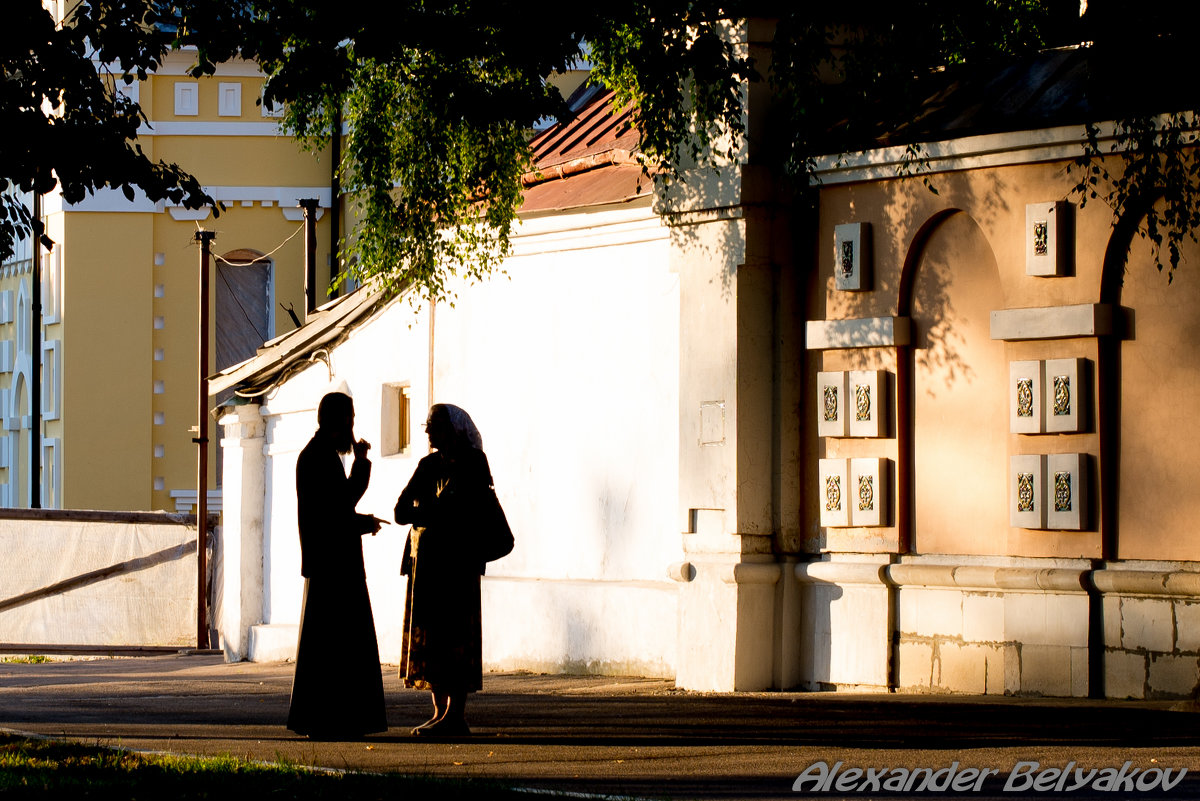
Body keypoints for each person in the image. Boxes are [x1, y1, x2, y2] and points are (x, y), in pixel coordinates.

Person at [287, 391, 387, 739]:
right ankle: (338, 719)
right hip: (335, 566)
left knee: (328, 647)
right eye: (351, 419)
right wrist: (361, 463)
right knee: (340, 646)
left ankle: (327, 718)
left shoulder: (316, 455)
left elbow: (332, 510)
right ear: (340, 420)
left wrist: (360, 521)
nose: (353, 426)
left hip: (326, 562)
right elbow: (339, 507)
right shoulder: (321, 458)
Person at [394, 403, 492, 736]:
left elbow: (472, 509)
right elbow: (401, 510)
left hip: (458, 567)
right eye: (427, 425)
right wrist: (433, 511)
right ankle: (439, 713)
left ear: (454, 428)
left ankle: (456, 715)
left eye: (434, 425)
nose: (427, 431)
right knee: (432, 638)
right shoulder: (427, 465)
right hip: (427, 567)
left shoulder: (473, 463)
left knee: (456, 638)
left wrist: (431, 510)